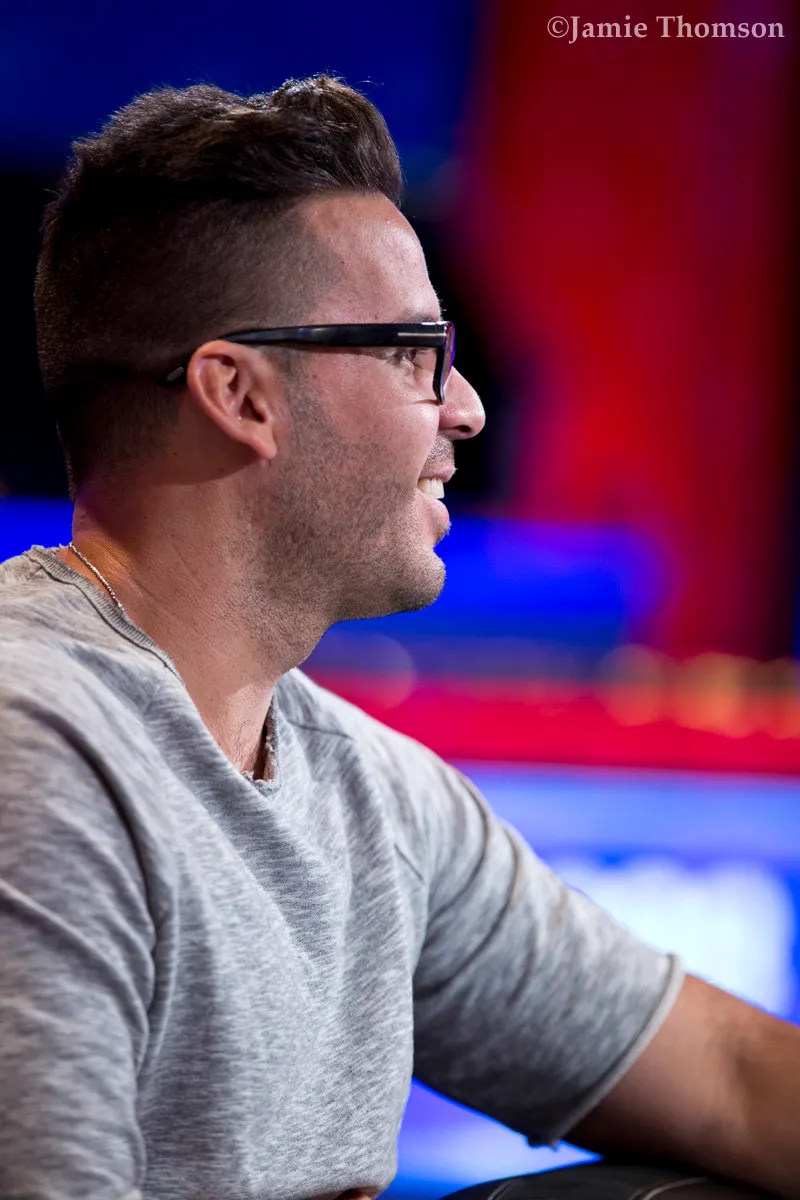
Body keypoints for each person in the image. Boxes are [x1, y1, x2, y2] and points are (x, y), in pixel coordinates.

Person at [0, 75, 797, 1200]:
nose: (465, 406)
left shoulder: (373, 795)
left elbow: (729, 1079)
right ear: (241, 394)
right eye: (414, 351)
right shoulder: (35, 746)